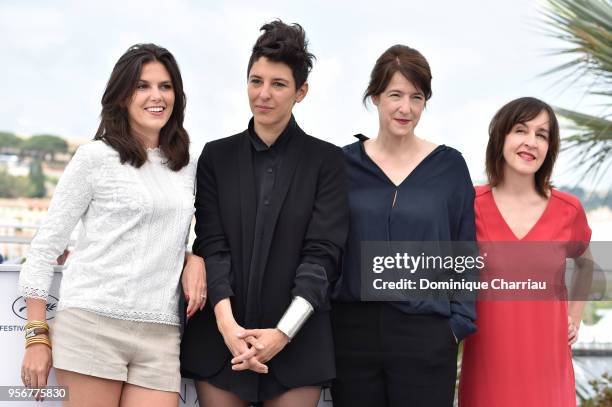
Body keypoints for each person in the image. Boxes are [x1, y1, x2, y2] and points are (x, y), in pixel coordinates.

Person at [18, 43, 204, 407]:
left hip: (161, 332)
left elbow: (175, 232)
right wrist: (36, 336)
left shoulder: (187, 166)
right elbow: (43, 250)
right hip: (91, 325)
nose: (157, 96)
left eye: (165, 86)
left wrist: (192, 257)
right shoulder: (95, 158)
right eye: (143, 86)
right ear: (121, 96)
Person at [180, 20, 348, 407]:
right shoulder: (215, 157)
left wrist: (282, 334)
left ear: (301, 91)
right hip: (221, 339)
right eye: (256, 81)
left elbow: (322, 256)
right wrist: (227, 326)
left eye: (278, 84)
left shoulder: (327, 161)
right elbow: (212, 244)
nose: (264, 94)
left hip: (298, 341)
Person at [331, 44, 477, 407]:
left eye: (417, 97)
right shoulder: (341, 166)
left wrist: (455, 326)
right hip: (353, 332)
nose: (405, 108)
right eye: (395, 95)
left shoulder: (449, 167)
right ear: (375, 96)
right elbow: (324, 245)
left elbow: (465, 249)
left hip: (426, 333)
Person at [458, 97, 592, 407]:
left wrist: (575, 317)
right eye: (521, 130)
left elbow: (586, 266)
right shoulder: (469, 204)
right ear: (501, 137)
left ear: (550, 147)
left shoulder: (568, 209)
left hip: (548, 368)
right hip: (486, 368)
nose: (531, 142)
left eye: (542, 135)